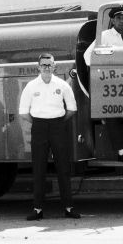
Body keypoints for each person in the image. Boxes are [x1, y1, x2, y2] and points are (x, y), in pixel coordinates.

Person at [18, 53, 79, 221]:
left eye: (49, 65)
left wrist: (57, 122)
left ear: (54, 67)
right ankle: (37, 209)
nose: (46, 67)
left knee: (63, 169)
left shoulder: (62, 85)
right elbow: (23, 112)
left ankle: (68, 208)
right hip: (39, 127)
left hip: (58, 126)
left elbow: (72, 109)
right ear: (38, 67)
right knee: (38, 169)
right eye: (43, 65)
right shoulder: (31, 86)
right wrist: (39, 122)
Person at [84, 6, 123, 162]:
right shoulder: (104, 36)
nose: (122, 21)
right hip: (110, 83)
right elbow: (88, 56)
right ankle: (122, 152)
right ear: (112, 20)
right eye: (119, 18)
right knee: (112, 114)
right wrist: (99, 76)